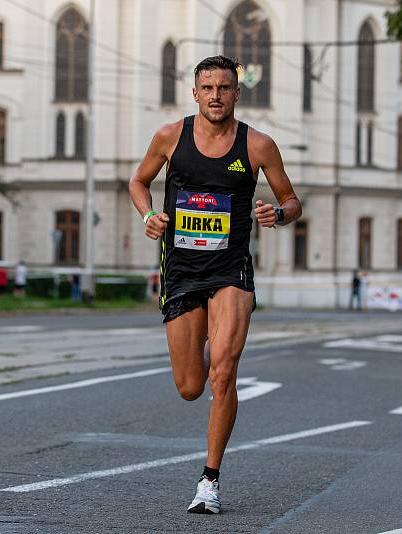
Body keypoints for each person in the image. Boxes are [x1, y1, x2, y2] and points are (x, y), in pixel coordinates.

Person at [129, 55, 301, 514]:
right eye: (208, 88)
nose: (216, 96)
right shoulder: (170, 137)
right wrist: (149, 215)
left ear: (236, 94)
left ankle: (209, 480)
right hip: (182, 270)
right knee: (190, 385)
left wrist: (278, 214)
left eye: (224, 88)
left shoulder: (259, 145)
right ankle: (210, 344)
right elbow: (138, 182)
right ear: (195, 93)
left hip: (231, 271)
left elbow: (291, 201)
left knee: (223, 373)